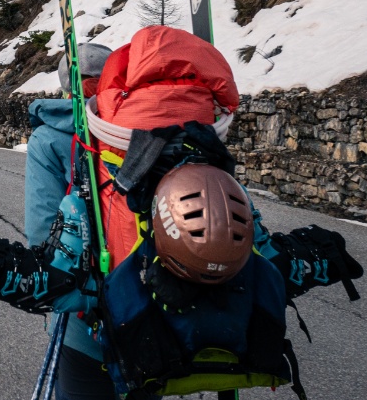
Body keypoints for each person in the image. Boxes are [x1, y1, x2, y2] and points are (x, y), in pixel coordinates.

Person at [24, 27, 239, 400]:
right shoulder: (172, 132)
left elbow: (42, 236)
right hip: (156, 310)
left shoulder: (49, 139)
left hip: (87, 326)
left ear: (65, 87)